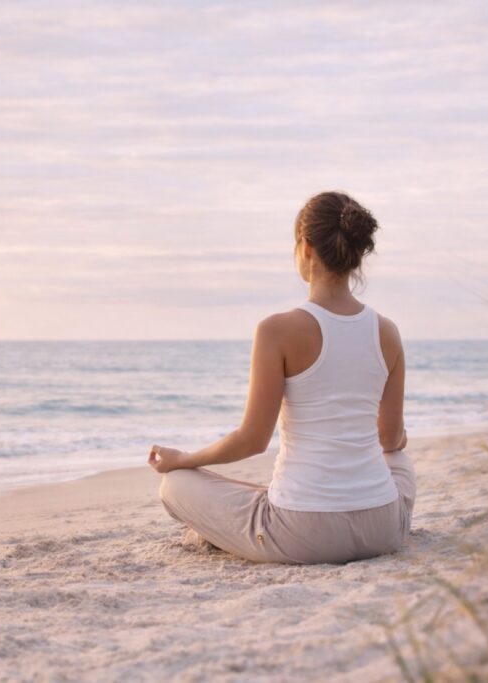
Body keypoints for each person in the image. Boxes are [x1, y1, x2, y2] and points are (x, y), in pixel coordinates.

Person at [148, 190, 415, 564]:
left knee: (174, 484)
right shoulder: (387, 332)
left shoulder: (277, 329)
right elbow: (391, 439)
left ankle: (231, 524)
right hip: (383, 527)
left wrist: (184, 458)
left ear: (305, 247)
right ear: (357, 253)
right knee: (399, 462)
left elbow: (253, 440)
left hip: (305, 534)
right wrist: (395, 437)